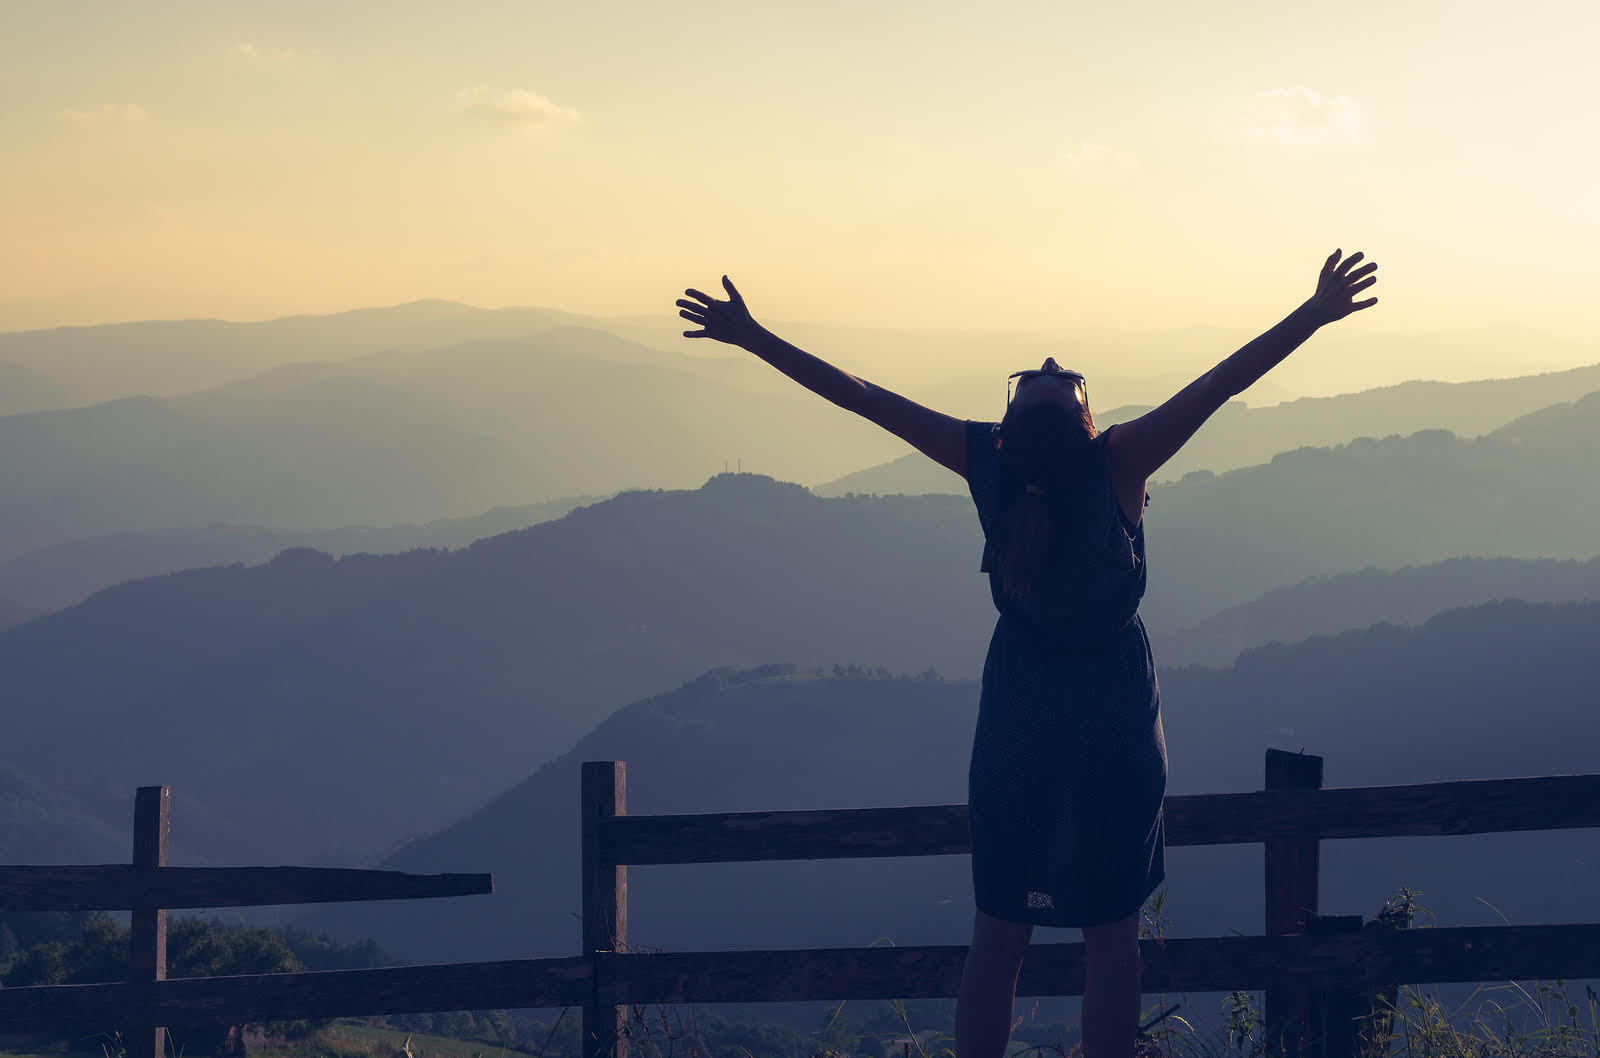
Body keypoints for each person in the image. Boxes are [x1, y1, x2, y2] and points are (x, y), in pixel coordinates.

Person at [675, 249, 1379, 1058]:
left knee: (1000, 933)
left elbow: (865, 398)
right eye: (1059, 378)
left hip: (1019, 712)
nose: (1048, 362)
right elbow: (1220, 383)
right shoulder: (1119, 461)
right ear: (1086, 423)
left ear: (1011, 427)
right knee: (1110, 938)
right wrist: (1312, 313)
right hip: (1113, 713)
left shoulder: (992, 462)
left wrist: (755, 337)